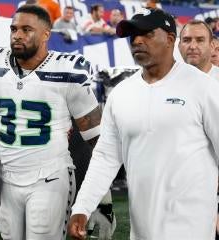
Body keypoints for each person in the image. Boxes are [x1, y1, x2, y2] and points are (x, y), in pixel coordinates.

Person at [0, 4, 101, 240]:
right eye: (14, 29)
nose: (17, 35)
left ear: (46, 34)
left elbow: (97, 138)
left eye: (26, 29)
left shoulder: (68, 70)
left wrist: (101, 198)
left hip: (52, 177)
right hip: (10, 179)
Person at [68, 8, 219, 240]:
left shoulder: (204, 87)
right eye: (133, 35)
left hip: (193, 227)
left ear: (170, 39)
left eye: (147, 34)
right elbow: (106, 157)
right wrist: (82, 207)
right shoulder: (121, 94)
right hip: (142, 230)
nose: (137, 41)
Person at [178, 19, 219, 240]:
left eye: (200, 40)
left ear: (213, 46)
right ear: (178, 45)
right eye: (187, 40)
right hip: (176, 194)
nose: (192, 45)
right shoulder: (166, 83)